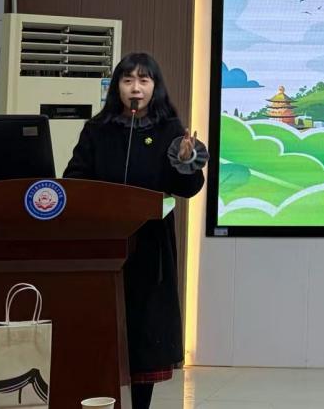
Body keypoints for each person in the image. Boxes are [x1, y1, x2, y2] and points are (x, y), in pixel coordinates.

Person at [64, 53, 207, 409]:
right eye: (128, 80)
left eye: (144, 80)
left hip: (149, 248)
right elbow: (74, 178)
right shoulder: (97, 129)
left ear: (155, 87)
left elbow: (188, 189)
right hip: (103, 247)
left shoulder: (169, 131)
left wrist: (186, 161)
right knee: (102, 330)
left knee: (145, 334)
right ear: (117, 87)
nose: (136, 88)